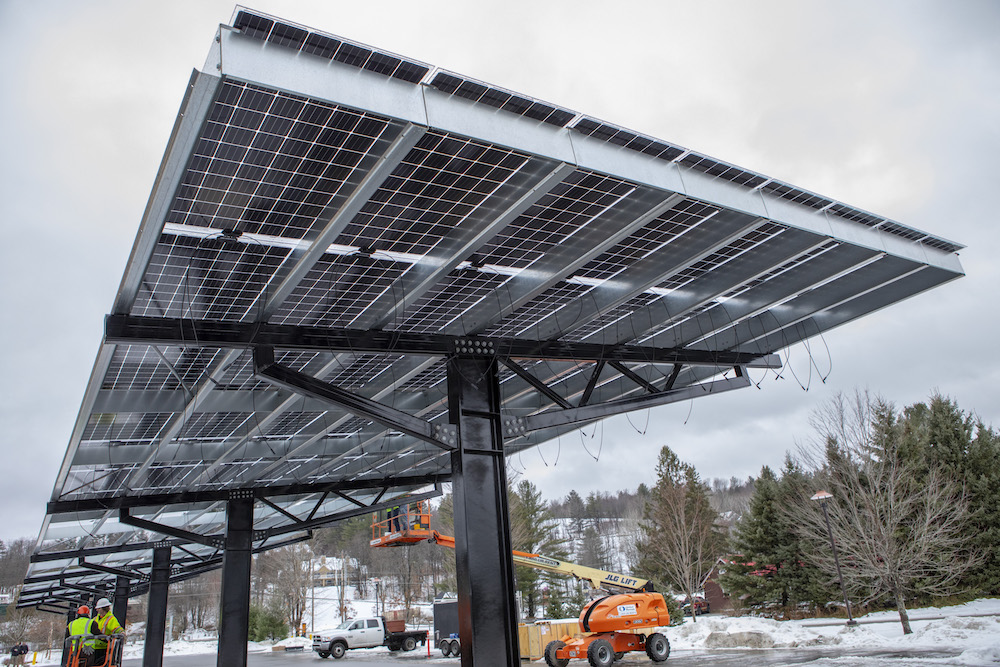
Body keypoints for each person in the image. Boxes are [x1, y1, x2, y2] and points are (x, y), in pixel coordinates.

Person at [88, 598, 124, 666]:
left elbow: (117, 629)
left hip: (104, 648)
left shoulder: (111, 619)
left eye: (98, 608)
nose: (97, 609)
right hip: (93, 648)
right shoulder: (95, 619)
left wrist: (122, 633)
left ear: (103, 608)